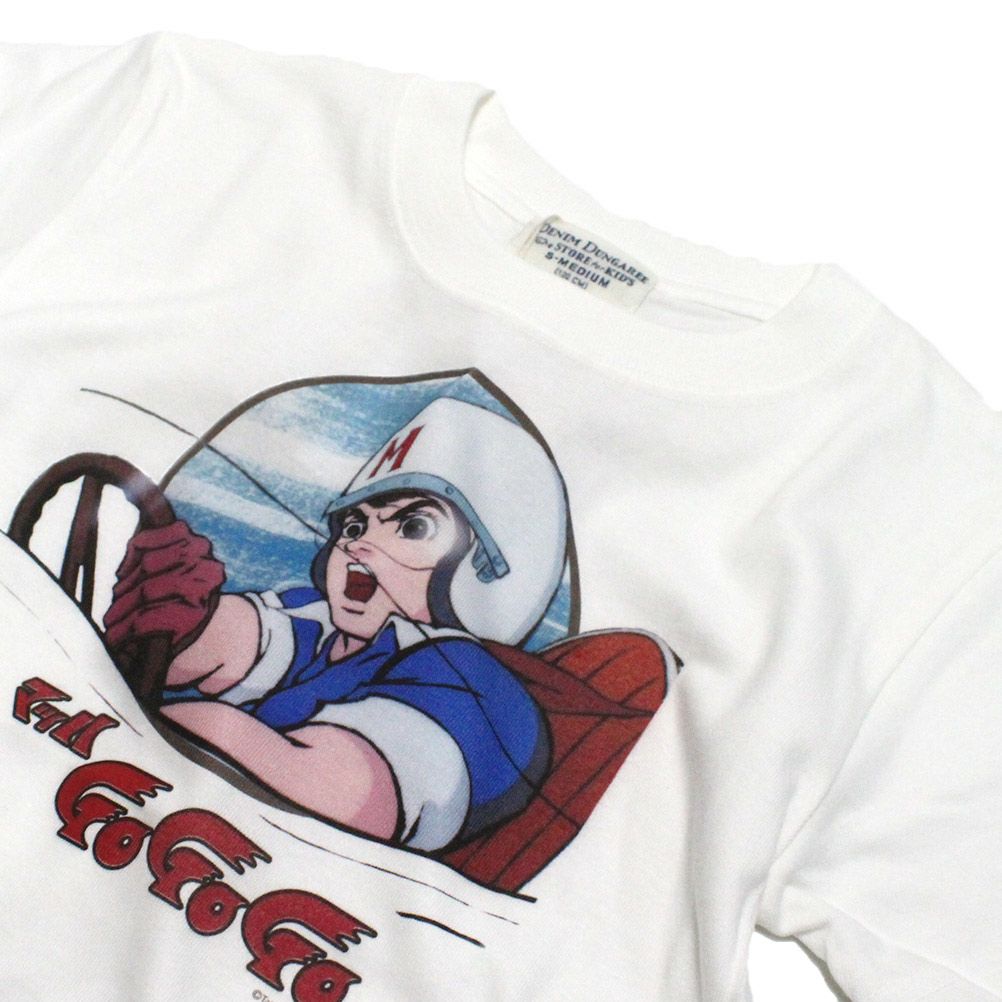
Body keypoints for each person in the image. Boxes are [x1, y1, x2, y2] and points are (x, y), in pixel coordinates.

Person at [103, 397, 569, 854]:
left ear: (483, 571)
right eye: (354, 527)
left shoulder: (471, 684)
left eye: (413, 528)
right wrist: (177, 618)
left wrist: (148, 722)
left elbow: (340, 791)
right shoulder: (323, 623)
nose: (358, 546)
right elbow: (232, 644)